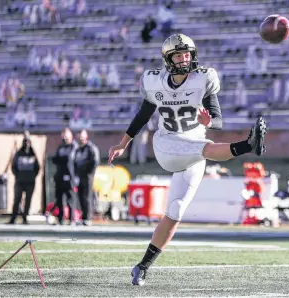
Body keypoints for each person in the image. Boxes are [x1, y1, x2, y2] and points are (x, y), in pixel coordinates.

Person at [108, 33, 267, 286]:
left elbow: (217, 119)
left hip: (193, 149)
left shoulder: (202, 80)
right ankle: (248, 145)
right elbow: (143, 116)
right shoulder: (154, 82)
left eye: (187, 54)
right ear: (168, 59)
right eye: (178, 55)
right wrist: (123, 143)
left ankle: (142, 267)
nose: (184, 59)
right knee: (205, 148)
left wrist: (209, 122)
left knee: (176, 211)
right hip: (167, 145)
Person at [9, 131, 40, 224]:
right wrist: (18, 175)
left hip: (30, 181)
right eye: (25, 141)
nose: (26, 143)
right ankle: (13, 218)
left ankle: (25, 218)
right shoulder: (18, 154)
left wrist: (32, 176)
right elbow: (13, 166)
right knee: (17, 199)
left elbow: (37, 167)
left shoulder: (33, 154)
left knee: (28, 201)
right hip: (20, 181)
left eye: (28, 141)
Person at [52, 127, 78, 225]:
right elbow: (56, 159)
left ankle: (72, 220)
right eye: (63, 135)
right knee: (60, 199)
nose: (65, 138)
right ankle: (61, 219)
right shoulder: (61, 147)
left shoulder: (74, 147)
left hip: (70, 177)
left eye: (66, 135)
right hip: (60, 177)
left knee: (70, 199)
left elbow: (70, 161)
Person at [74, 129, 100, 226]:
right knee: (80, 197)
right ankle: (84, 217)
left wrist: (90, 174)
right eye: (79, 136)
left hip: (88, 176)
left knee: (87, 197)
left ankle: (88, 218)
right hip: (79, 176)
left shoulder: (91, 148)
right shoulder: (78, 149)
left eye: (82, 136)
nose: (80, 138)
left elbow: (95, 162)